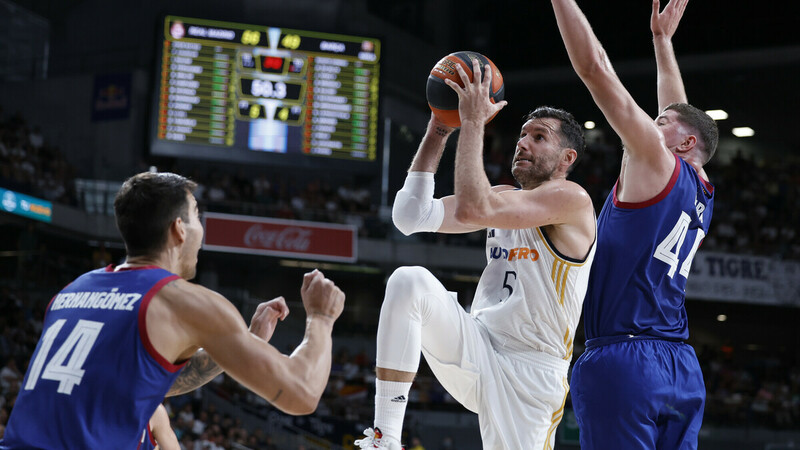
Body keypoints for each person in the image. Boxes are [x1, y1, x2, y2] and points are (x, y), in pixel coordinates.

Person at [0, 172, 345, 449]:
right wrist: (321, 318)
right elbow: (302, 393)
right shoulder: (184, 301)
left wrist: (247, 343)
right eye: (196, 215)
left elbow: (144, 381)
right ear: (179, 229)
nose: (201, 229)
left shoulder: (71, 292)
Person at [357, 58, 596, 449]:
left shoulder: (572, 200)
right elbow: (410, 216)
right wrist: (440, 128)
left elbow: (472, 209)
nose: (523, 142)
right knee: (408, 281)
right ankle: (385, 438)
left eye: (539, 137)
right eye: (522, 135)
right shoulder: (501, 197)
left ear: (567, 159)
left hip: (532, 372)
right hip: (478, 343)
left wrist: (470, 123)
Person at [549, 0, 718, 448]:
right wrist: (662, 43)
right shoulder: (703, 191)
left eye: (658, 121)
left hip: (625, 358)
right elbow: (679, 110)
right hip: (681, 365)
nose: (649, 121)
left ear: (683, 142)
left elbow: (593, 67)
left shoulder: (656, 159)